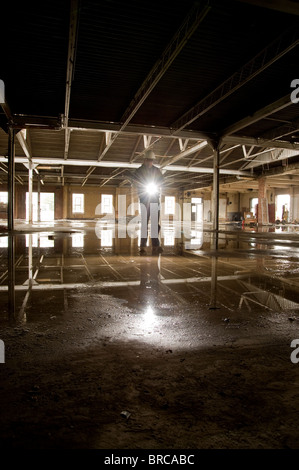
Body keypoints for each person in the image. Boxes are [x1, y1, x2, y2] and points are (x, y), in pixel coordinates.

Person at [130, 149, 164, 255]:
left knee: (155, 223)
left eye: (151, 160)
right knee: (144, 223)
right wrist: (137, 184)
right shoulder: (139, 171)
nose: (150, 162)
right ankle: (143, 246)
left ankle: (155, 245)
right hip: (144, 199)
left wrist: (159, 184)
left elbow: (161, 180)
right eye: (148, 160)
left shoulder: (157, 171)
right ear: (144, 160)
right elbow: (134, 181)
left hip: (155, 199)